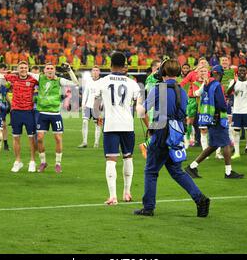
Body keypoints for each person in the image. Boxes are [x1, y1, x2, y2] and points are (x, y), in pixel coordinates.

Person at [134, 59, 210, 217]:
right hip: (177, 132)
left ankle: (148, 207)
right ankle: (200, 198)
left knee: (151, 171)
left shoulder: (158, 89)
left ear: (163, 72)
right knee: (177, 171)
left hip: (161, 131)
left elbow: (142, 112)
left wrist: (139, 103)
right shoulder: (182, 90)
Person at [93, 52, 142, 205]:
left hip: (111, 126)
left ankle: (113, 196)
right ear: (125, 66)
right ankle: (127, 192)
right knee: (128, 157)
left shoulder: (102, 81)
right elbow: (139, 105)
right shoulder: (133, 83)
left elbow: (96, 104)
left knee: (111, 160)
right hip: (128, 125)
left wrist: (97, 116)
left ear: (110, 65)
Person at [185, 65, 244, 179]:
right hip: (218, 118)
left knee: (213, 145)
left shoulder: (206, 85)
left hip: (209, 117)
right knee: (226, 144)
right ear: (219, 74)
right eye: (221, 74)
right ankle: (228, 172)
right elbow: (221, 104)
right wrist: (226, 107)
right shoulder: (217, 85)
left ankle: (192, 167)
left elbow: (197, 94)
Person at [31, 62, 79, 173]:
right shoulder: (40, 78)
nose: (49, 70)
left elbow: (75, 83)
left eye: (51, 68)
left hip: (55, 114)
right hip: (42, 114)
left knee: (58, 138)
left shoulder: (59, 80)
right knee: (39, 138)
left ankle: (58, 163)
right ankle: (43, 162)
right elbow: (25, 72)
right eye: (47, 68)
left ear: (54, 70)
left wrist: (69, 70)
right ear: (44, 70)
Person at [3, 61, 39, 172]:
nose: (23, 69)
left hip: (29, 112)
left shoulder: (33, 80)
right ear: (18, 69)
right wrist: (14, 71)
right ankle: (18, 161)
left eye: (25, 67)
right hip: (16, 112)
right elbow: (2, 74)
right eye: (21, 68)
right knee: (16, 137)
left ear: (28, 68)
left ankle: (32, 161)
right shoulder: (13, 78)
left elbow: (44, 78)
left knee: (31, 138)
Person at [226, 64, 247, 160]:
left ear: (246, 72)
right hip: (236, 110)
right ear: (237, 72)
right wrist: (234, 83)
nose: (242, 72)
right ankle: (237, 152)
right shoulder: (233, 81)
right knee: (236, 131)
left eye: (244, 71)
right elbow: (228, 92)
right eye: (240, 71)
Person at [79, 66, 102, 148]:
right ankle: (84, 142)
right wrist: (83, 104)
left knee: (97, 125)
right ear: (92, 72)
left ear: (99, 72)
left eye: (97, 70)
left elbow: (104, 94)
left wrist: (102, 105)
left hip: (97, 107)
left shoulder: (102, 82)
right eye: (94, 70)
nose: (95, 72)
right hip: (88, 105)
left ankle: (96, 143)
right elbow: (85, 93)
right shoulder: (88, 81)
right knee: (85, 122)